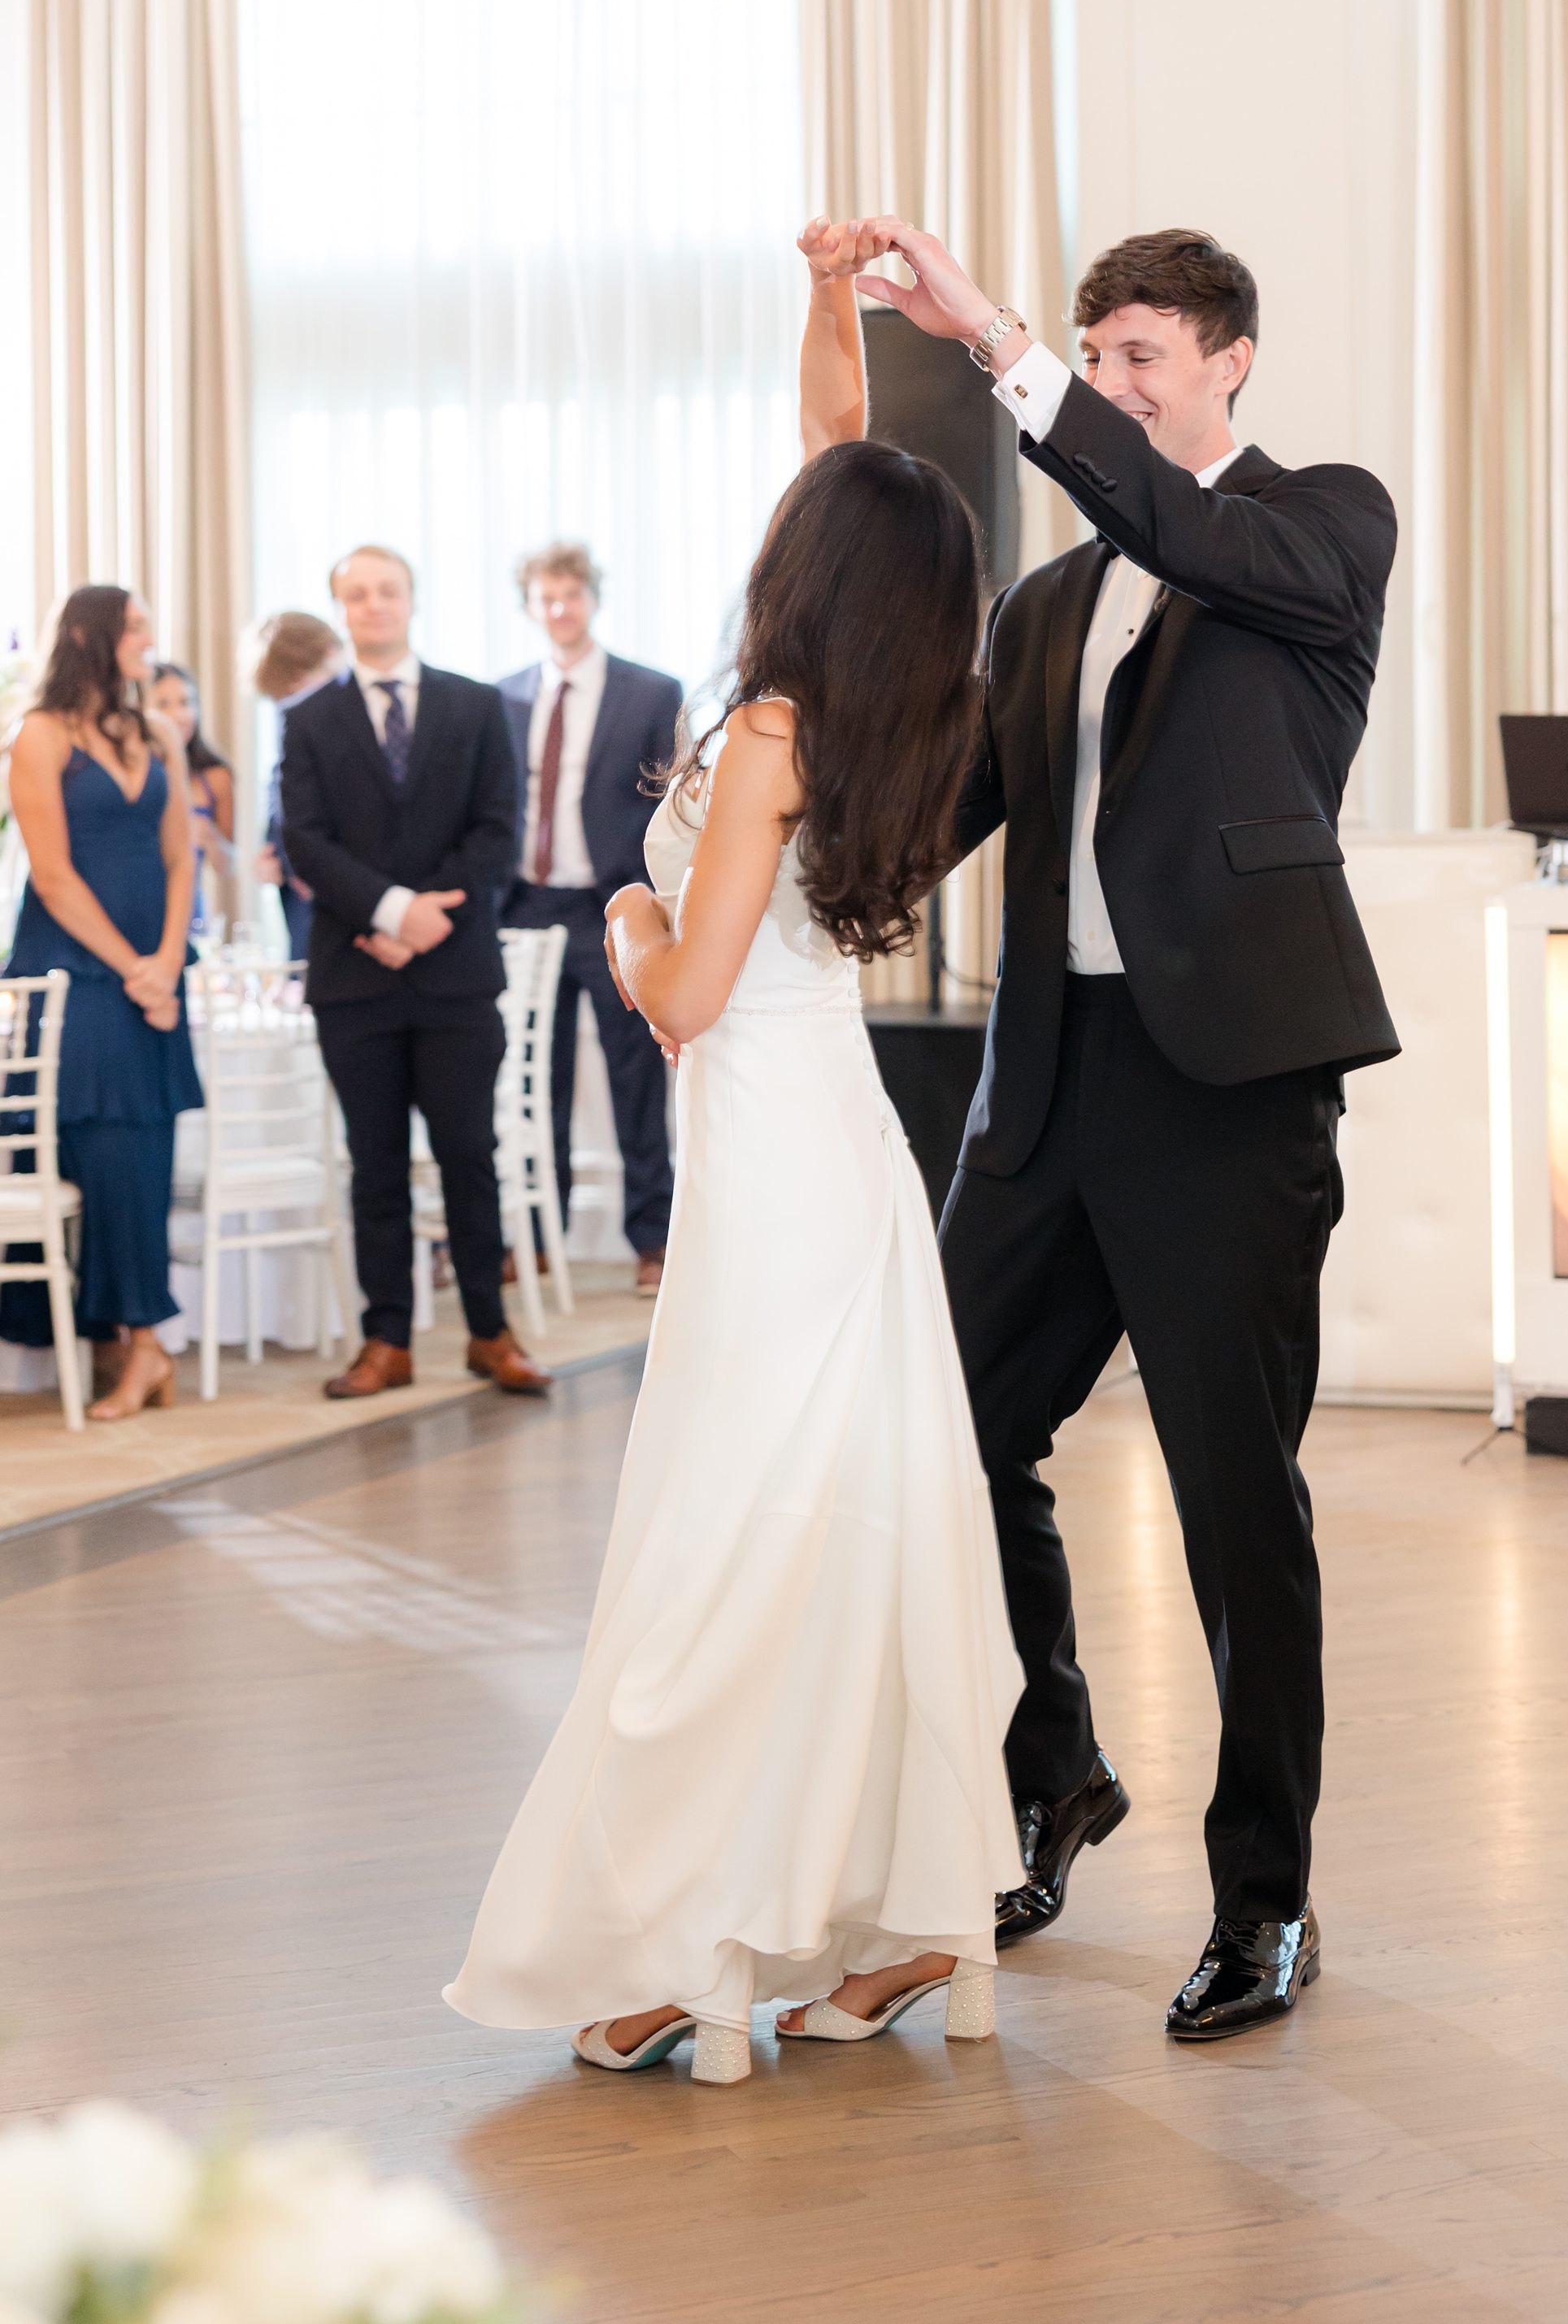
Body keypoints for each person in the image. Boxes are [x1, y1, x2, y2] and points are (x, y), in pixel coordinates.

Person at [444, 222, 1023, 2089]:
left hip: (768, 1163)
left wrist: (621, 907)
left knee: (726, 1557)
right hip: (832, 1158)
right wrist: (826, 296)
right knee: (840, 1538)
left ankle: (695, 1943)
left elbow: (682, 996)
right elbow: (839, 446)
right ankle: (893, 1914)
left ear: (807, 569)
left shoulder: (769, 726)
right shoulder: (898, 707)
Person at [850, 217, 1400, 2047]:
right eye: (1096, 358)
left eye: (1142, 353)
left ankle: (1268, 1902)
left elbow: (1187, 525)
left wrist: (994, 343)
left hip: (1226, 1093)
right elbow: (936, 828)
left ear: (1232, 357)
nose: (1114, 383)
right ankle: (1056, 1767)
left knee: (1238, 1501)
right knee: (957, 1449)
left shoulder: (1317, 531)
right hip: (1046, 1090)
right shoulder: (1045, 609)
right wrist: (751, 866)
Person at [277, 545, 545, 1401]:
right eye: (356, 595)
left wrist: (429, 919)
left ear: (411, 600)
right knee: (375, 1162)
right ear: (340, 608)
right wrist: (392, 914)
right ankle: (385, 1339)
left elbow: (499, 828)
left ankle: (488, 1331)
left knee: (471, 1154)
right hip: (355, 978)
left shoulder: (475, 706)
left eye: (386, 591)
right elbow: (304, 839)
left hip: (456, 974)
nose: (373, 606)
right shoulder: (310, 718)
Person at [0, 586, 203, 1421]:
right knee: (97, 1150)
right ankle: (129, 1341)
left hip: (152, 973)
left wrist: (165, 962)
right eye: (136, 628)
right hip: (74, 976)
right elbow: (49, 875)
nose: (149, 641)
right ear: (91, 636)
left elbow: (183, 858)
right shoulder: (38, 736)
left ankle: (142, 1343)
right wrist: (134, 970)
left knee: (145, 1153)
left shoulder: (155, 733)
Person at [497, 546, 683, 1297]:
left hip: (610, 903)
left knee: (633, 1077)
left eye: (571, 595)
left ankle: (653, 1242)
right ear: (531, 606)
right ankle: (540, 1240)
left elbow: (668, 803)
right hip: (526, 906)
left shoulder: (648, 691)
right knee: (535, 1079)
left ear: (591, 600)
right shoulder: (501, 697)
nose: (560, 609)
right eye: (547, 597)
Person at [247, 611, 344, 964]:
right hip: (298, 886)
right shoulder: (290, 717)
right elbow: (283, 788)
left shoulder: (350, 713)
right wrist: (272, 848)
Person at [147, 662, 235, 936]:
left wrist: (208, 836)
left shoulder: (217, 776)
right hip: (134, 909)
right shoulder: (130, 774)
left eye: (186, 703)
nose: (178, 715)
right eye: (163, 704)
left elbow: (230, 865)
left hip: (189, 916)